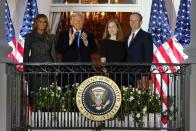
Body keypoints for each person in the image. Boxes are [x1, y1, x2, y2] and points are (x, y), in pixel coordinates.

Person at [23, 14, 56, 106]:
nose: (43, 24)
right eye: (40, 21)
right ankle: (34, 115)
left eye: (45, 22)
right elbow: (25, 55)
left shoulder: (51, 37)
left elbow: (53, 54)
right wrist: (26, 70)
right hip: (34, 69)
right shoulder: (29, 36)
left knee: (48, 95)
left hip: (48, 69)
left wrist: (55, 69)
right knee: (34, 93)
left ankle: (46, 116)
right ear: (36, 23)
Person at [57, 12, 97, 86]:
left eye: (81, 20)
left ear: (83, 22)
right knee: (68, 93)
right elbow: (59, 49)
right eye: (76, 20)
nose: (79, 22)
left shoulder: (89, 34)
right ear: (71, 22)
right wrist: (69, 42)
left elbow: (94, 49)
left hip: (85, 70)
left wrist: (86, 42)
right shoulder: (64, 34)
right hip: (68, 70)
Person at [124, 12, 153, 87]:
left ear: (141, 22)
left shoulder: (146, 36)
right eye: (131, 20)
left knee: (140, 98)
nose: (132, 22)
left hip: (140, 76)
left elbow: (148, 58)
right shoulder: (126, 37)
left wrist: (144, 75)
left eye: (135, 20)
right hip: (127, 75)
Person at [100, 19, 126, 86]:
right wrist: (106, 73)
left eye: (113, 26)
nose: (111, 29)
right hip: (109, 74)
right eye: (109, 27)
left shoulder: (123, 43)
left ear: (117, 29)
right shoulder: (104, 42)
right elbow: (103, 60)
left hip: (122, 74)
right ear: (107, 30)